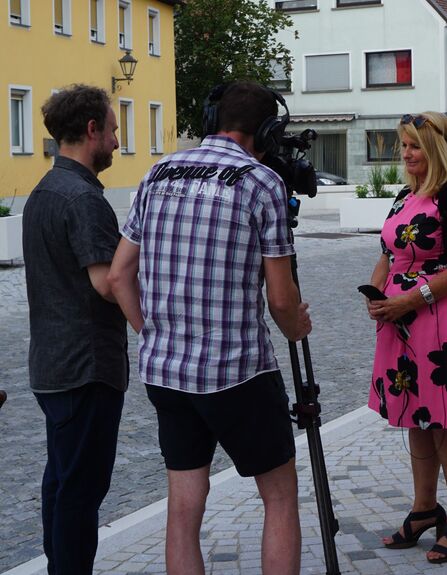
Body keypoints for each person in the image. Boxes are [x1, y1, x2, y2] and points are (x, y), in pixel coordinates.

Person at [108, 81, 311, 575]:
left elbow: (118, 275)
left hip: (166, 373)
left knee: (183, 508)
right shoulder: (262, 183)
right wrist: (298, 327)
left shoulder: (156, 173)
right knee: (280, 497)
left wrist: (151, 333)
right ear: (267, 131)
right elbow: (281, 301)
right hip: (236, 372)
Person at [364, 111, 447, 564]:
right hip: (398, 320)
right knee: (414, 414)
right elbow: (388, 252)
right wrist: (378, 295)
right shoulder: (405, 195)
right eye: (403, 145)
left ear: (436, 148)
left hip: (439, 318)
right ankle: (424, 508)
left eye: (414, 145)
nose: (406, 153)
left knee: (445, 417)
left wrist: (411, 299)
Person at [22, 85, 126, 574]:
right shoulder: (83, 198)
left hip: (52, 362)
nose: (116, 142)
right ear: (91, 131)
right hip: (87, 365)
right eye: (112, 132)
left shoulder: (43, 191)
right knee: (80, 490)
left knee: (61, 481)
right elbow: (108, 282)